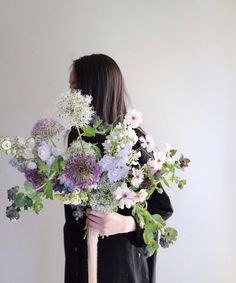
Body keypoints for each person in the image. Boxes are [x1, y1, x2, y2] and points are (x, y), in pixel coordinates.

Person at [63, 53, 174, 283]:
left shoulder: (132, 142)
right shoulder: (78, 138)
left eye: (75, 88)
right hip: (81, 263)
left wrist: (126, 223)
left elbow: (161, 210)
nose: (70, 96)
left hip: (122, 266)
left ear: (93, 91)